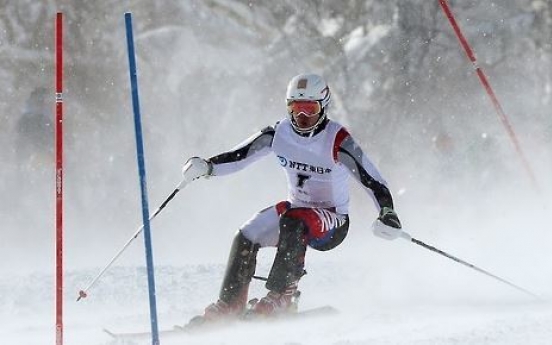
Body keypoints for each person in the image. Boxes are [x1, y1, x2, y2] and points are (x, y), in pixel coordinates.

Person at [181, 73, 402, 321]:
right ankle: (230, 304)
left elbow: (372, 179)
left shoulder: (337, 140)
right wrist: (207, 166)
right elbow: (239, 156)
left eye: (310, 109)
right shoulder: (279, 133)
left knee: (294, 219)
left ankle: (282, 296)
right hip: (295, 213)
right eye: (296, 109)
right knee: (247, 233)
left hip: (332, 221)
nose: (302, 117)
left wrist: (387, 212)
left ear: (323, 107)